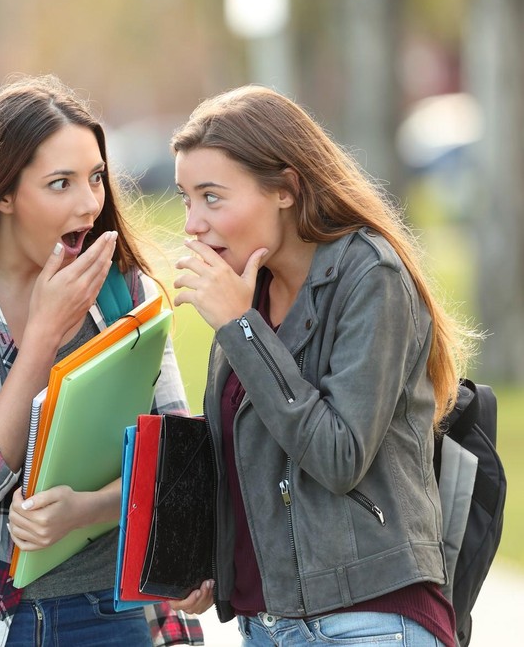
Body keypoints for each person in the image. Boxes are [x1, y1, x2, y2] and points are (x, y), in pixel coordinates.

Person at [0, 75, 210, 647]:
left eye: (96, 178)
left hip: (120, 615)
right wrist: (43, 336)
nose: (89, 203)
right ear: (2, 193)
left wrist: (90, 509)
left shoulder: (126, 293)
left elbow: (178, 464)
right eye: (60, 183)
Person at [169, 85, 474, 646]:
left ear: (285, 188)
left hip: (368, 618)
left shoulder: (369, 276)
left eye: (212, 197)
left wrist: (241, 330)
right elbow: (251, 457)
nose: (192, 223)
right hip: (268, 624)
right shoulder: (248, 293)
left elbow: (338, 456)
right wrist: (211, 560)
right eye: (187, 198)